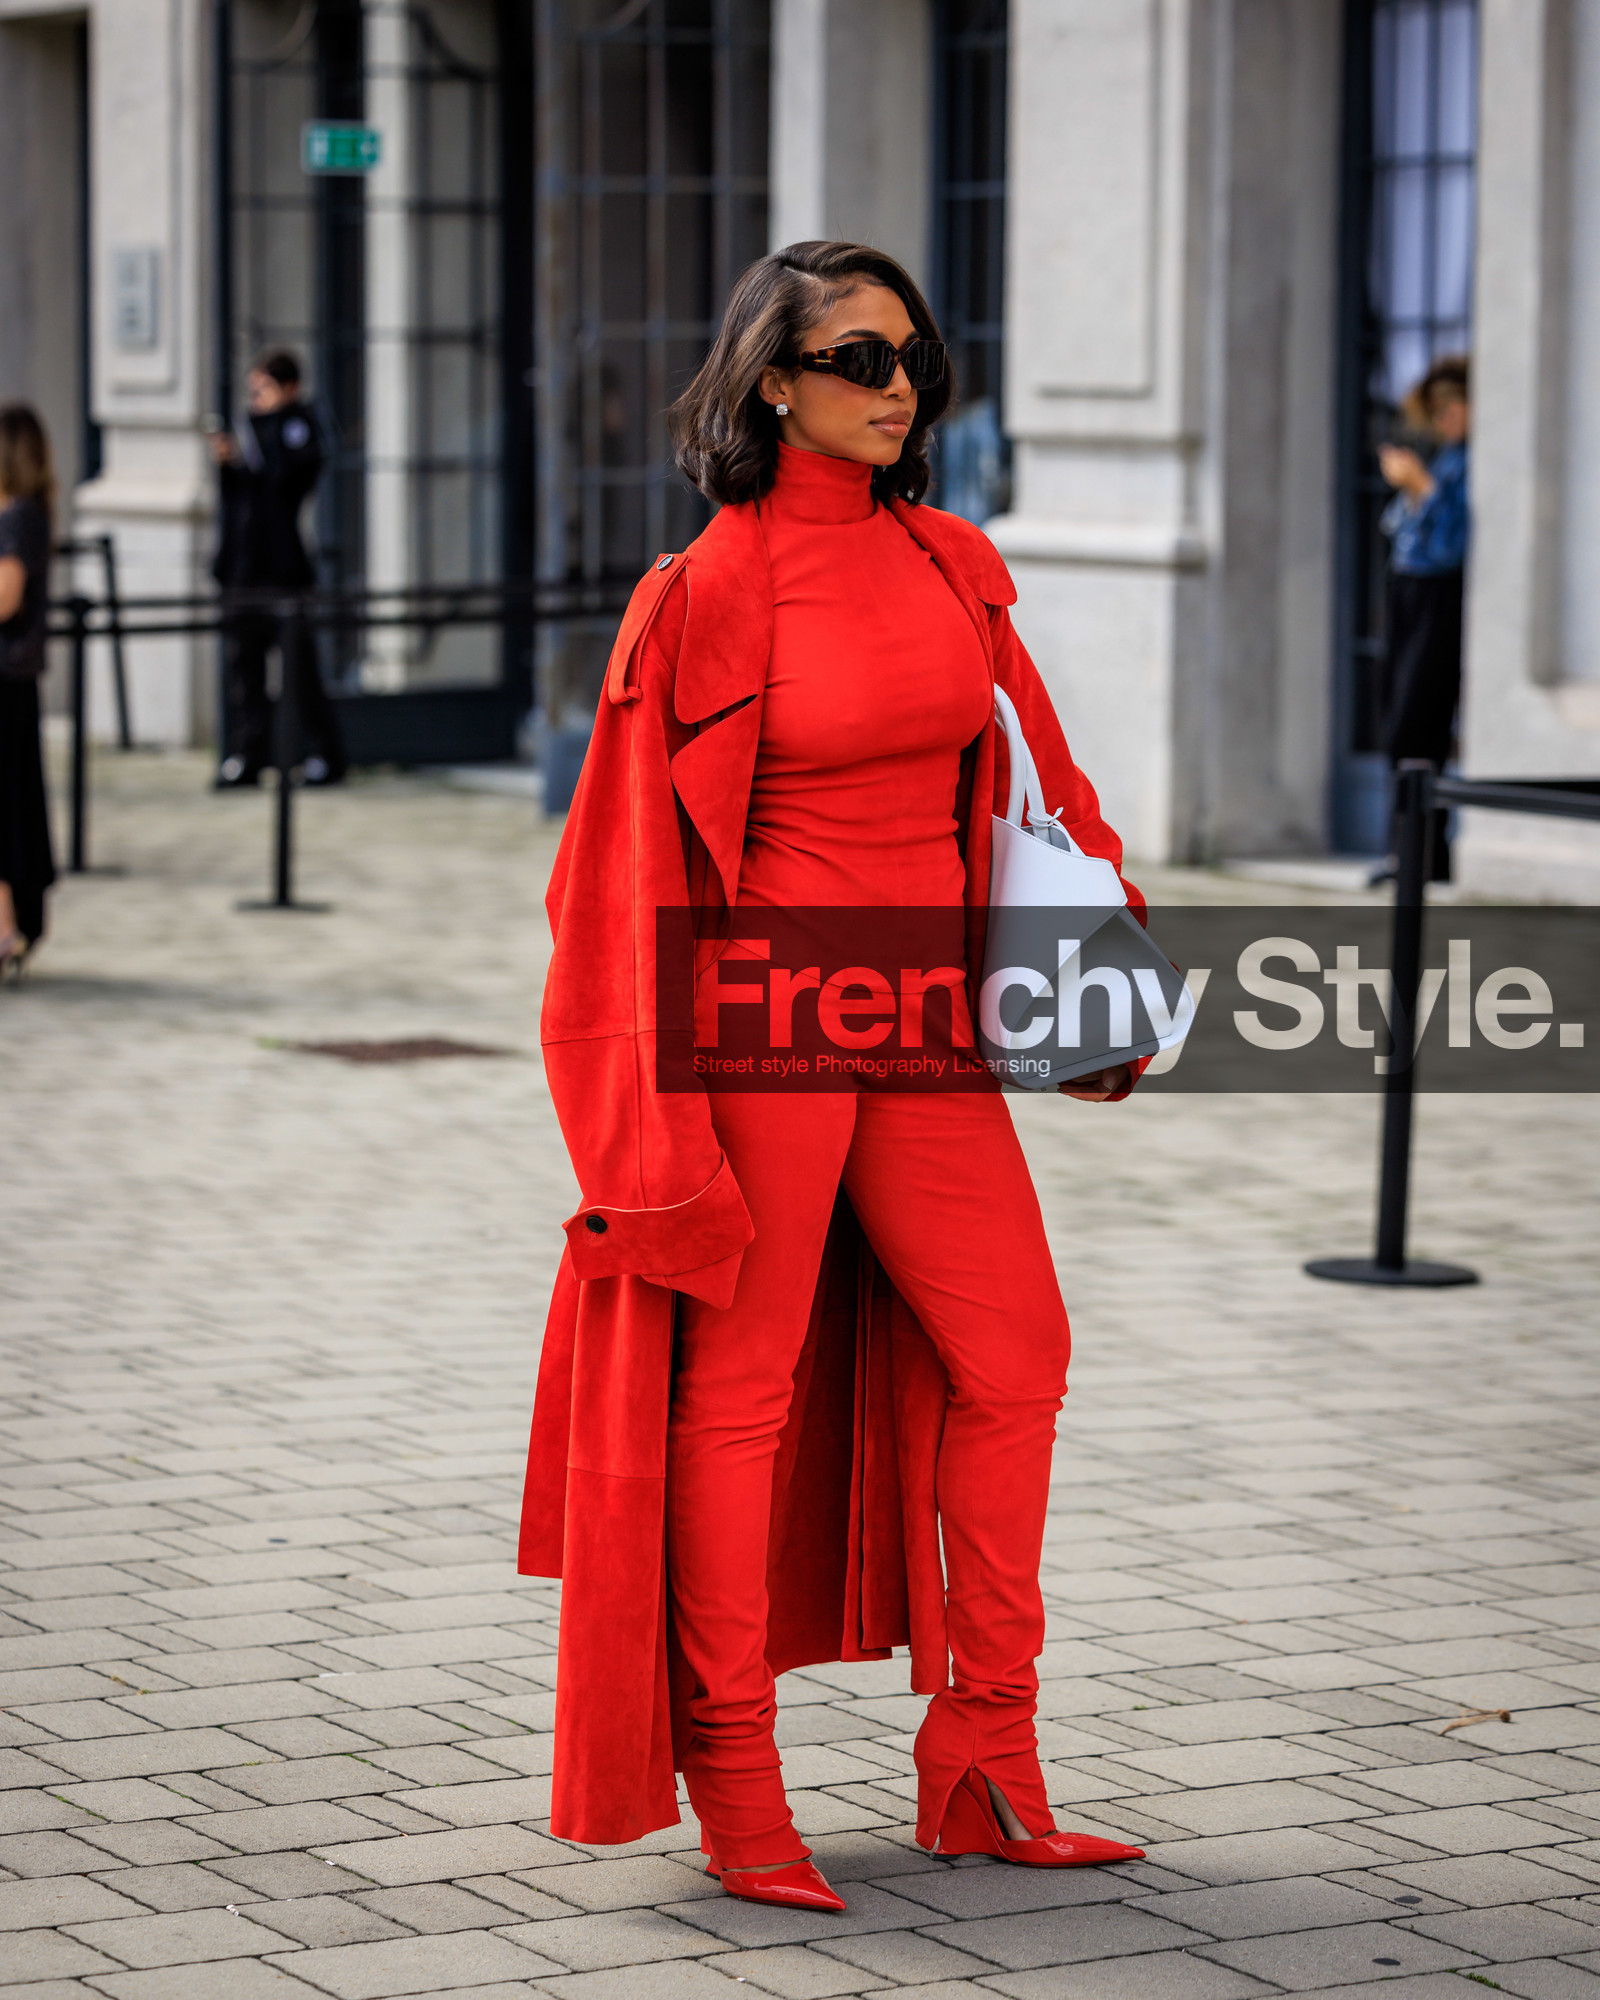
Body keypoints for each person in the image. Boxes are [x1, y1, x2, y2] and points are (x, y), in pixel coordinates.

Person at [516, 242, 1149, 1914]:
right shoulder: (704, 596)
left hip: (922, 1024)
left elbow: (1043, 781)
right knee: (741, 1395)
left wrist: (1104, 975)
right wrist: (646, 1144)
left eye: (915, 360)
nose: (900, 390)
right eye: (863, 360)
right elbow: (610, 886)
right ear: (771, 380)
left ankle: (986, 1757)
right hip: (770, 1027)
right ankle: (735, 1778)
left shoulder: (953, 561)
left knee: (1020, 1351)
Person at [210, 348, 346, 787]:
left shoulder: (299, 425)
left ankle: (324, 753)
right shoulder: (248, 428)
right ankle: (249, 754)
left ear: (288, 388)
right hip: (243, 566)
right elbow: (236, 499)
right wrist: (228, 463)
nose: (256, 399)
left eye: (264, 389)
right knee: (244, 669)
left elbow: (290, 479)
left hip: (282, 568)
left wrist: (266, 436)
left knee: (299, 667)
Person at [1374, 353, 1470, 882]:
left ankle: (1419, 855)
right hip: (1412, 591)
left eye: (1452, 405)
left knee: (1418, 718)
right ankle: (1409, 852)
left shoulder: (1468, 462)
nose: (1443, 418)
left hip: (1438, 596)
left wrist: (1419, 487)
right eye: (1435, 409)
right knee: (1400, 718)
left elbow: (1451, 542)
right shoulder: (1449, 455)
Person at [0, 403, 58, 978]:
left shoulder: (18, 516)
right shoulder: (25, 513)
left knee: (6, 804)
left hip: (5, 676)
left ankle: (5, 927)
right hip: (14, 677)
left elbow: (5, 598)